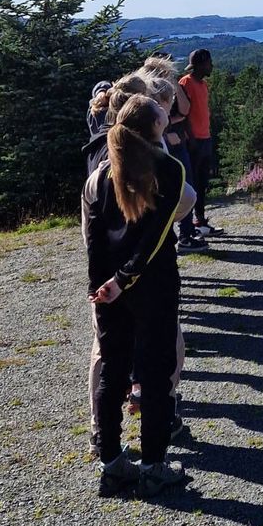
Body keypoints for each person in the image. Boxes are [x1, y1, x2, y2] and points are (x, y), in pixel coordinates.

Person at [84, 94, 196, 498]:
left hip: (110, 291)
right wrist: (124, 278)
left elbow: (94, 239)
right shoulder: (168, 169)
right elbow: (154, 237)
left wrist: (101, 286)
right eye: (161, 113)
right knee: (156, 372)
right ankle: (153, 466)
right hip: (151, 285)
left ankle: (112, 466)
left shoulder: (99, 173)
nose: (167, 113)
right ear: (154, 128)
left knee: (114, 371)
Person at [143, 55, 201, 253]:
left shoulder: (172, 89)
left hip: (178, 144)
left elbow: (184, 110)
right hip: (163, 146)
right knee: (166, 192)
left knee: (187, 186)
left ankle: (186, 233)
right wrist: (167, 136)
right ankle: (169, 238)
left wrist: (175, 86)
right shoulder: (145, 95)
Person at [179, 49, 220, 238]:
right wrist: (191, 138)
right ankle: (190, 225)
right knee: (192, 184)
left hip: (205, 138)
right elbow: (182, 113)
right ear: (201, 64)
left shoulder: (202, 85)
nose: (211, 66)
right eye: (209, 63)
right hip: (194, 141)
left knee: (202, 183)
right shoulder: (186, 83)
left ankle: (200, 220)